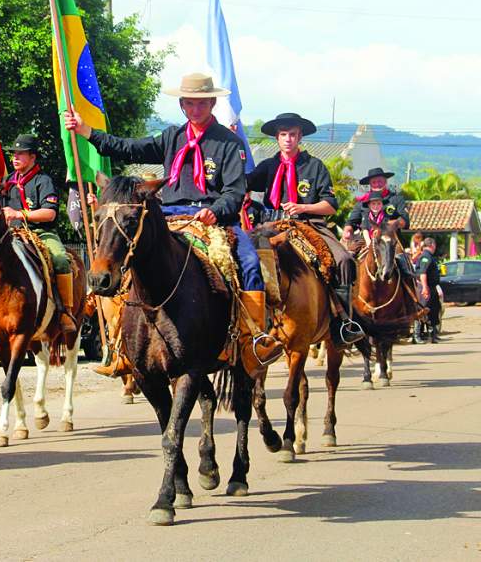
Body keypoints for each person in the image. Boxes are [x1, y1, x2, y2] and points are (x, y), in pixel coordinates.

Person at [65, 72, 284, 378]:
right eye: (190, 104)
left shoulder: (229, 143)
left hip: (213, 217)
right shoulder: (172, 137)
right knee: (130, 258)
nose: (196, 109)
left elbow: (236, 191)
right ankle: (119, 343)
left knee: (248, 260)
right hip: (169, 215)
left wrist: (216, 211)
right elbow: (129, 148)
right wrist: (87, 131)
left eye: (202, 104)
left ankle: (252, 339)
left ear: (212, 103)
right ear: (182, 105)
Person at [246, 112, 364, 346]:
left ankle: (343, 323)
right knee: (243, 258)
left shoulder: (314, 166)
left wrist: (303, 207)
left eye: (292, 134)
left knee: (342, 260)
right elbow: (242, 185)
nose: (288, 139)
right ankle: (246, 321)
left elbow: (330, 205)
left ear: (299, 137)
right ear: (277, 139)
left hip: (309, 225)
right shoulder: (267, 167)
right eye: (283, 134)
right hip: (271, 226)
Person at [0, 133, 76, 335]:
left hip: (41, 233)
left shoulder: (44, 181)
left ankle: (65, 313)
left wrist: (19, 213)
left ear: (33, 156)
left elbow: (50, 213)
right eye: (14, 154)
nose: (15, 157)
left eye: (21, 153)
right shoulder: (7, 182)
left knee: (60, 259)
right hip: (12, 235)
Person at [343, 167, 409, 240]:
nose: (377, 184)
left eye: (380, 181)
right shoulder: (362, 203)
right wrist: (348, 230)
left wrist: (388, 225)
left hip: (392, 240)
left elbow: (405, 220)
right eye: (374, 182)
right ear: (370, 184)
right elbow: (351, 222)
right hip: (367, 240)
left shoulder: (397, 199)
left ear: (385, 181)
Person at [414, 238, 442, 343]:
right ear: (432, 245)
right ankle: (416, 336)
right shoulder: (425, 256)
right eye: (435, 245)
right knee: (422, 310)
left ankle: (433, 335)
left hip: (432, 287)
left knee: (434, 310)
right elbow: (423, 273)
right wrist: (425, 288)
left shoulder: (429, 256)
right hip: (426, 287)